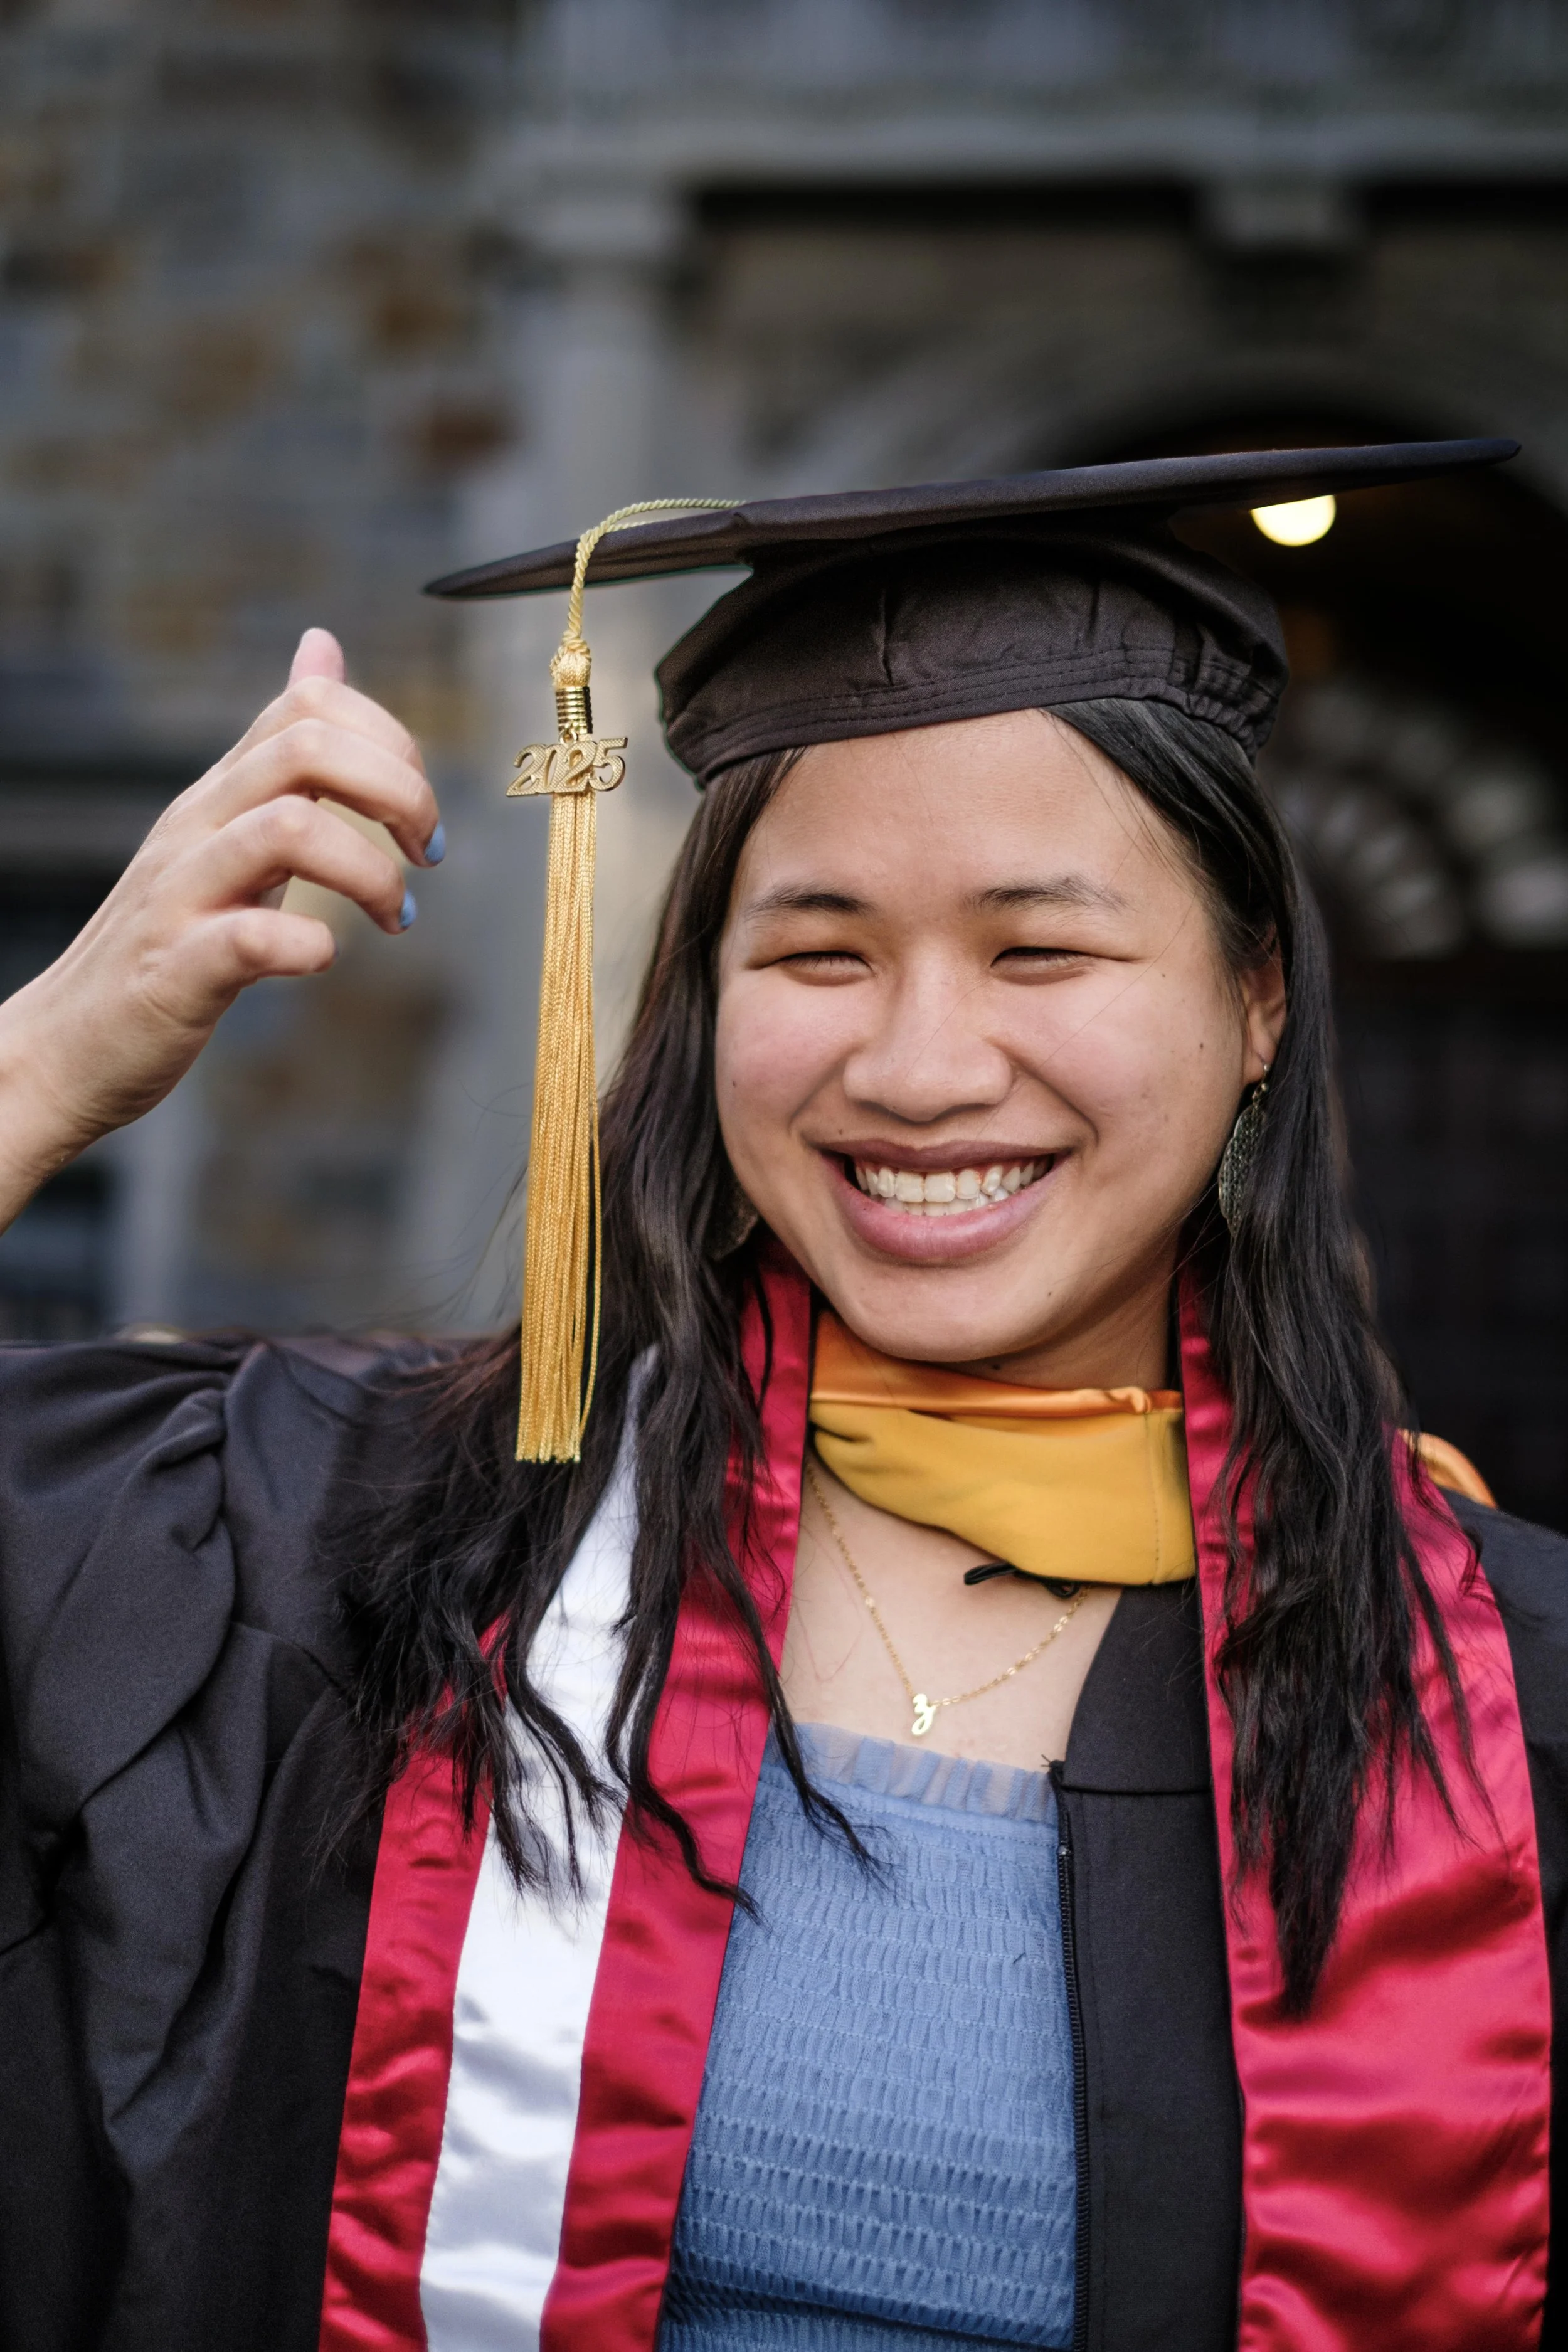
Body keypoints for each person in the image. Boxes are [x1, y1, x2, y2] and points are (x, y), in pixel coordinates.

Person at [0, 443, 1562, 2352]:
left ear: (1255, 1003)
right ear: (699, 997)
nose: (916, 1065)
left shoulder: (1503, 1706)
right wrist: (43, 1059)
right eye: (817, 950)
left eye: (1038, 945)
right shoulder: (351, 1545)